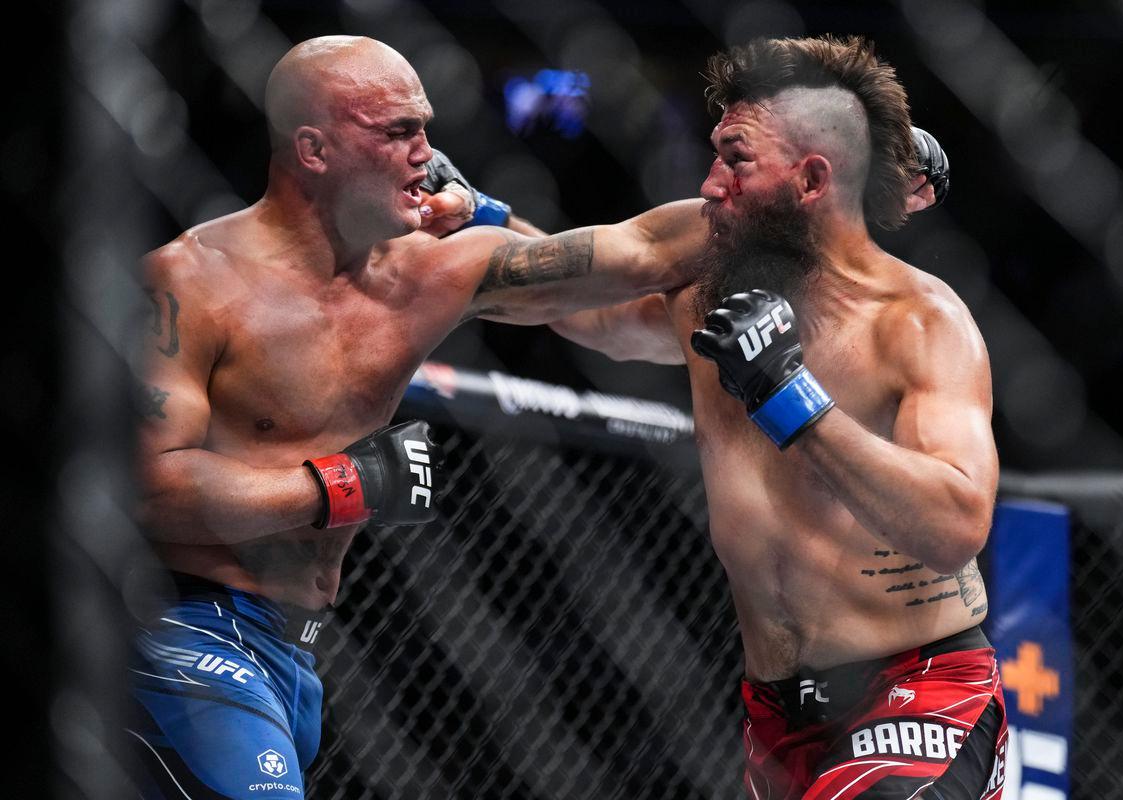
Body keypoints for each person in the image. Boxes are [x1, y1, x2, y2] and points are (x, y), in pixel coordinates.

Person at [129, 34, 708, 799]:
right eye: (399, 131)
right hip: (187, 628)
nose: (426, 154)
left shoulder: (426, 272)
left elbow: (639, 259)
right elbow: (148, 489)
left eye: (425, 127)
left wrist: (805, 188)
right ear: (314, 148)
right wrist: (343, 484)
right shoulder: (193, 281)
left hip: (298, 651)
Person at [551, 36, 1006, 799]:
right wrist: (481, 216)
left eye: (735, 161)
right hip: (775, 715)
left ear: (812, 181)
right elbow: (586, 316)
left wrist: (791, 399)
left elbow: (956, 522)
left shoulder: (922, 323)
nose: (708, 186)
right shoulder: (708, 298)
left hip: (921, 687)